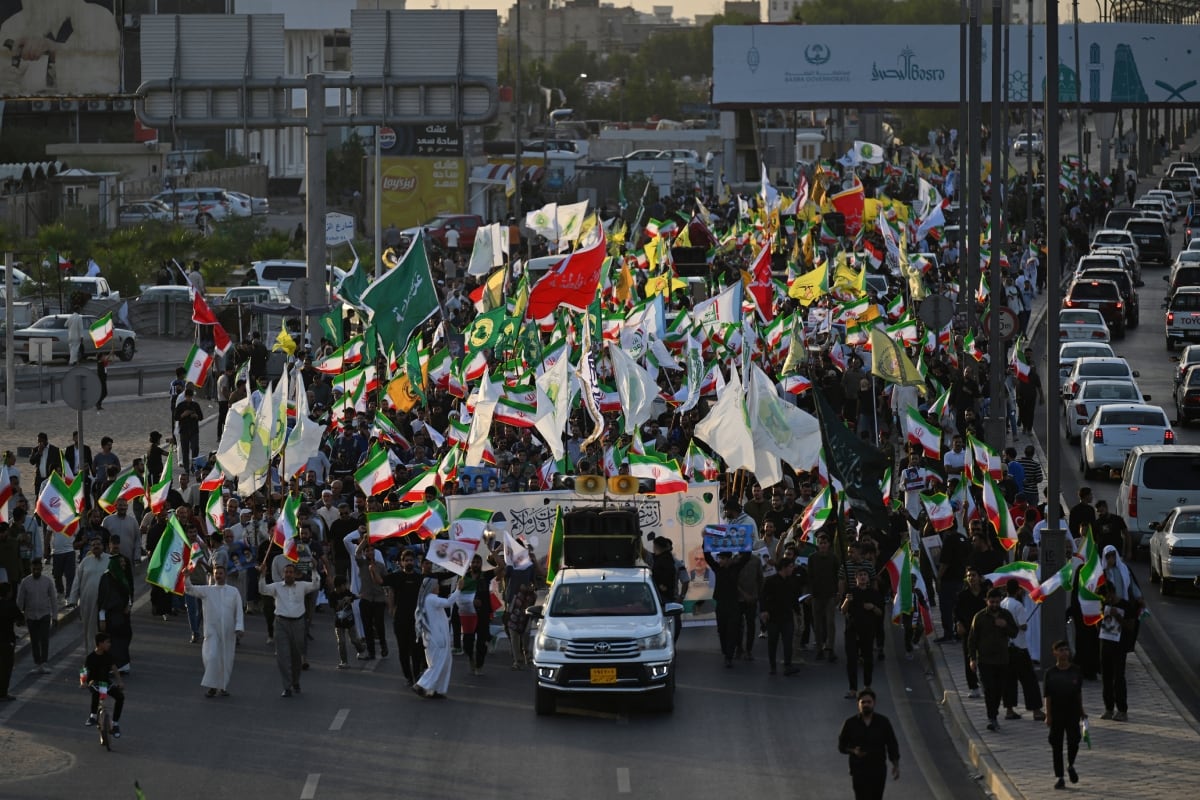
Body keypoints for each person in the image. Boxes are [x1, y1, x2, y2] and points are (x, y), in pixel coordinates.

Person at [258, 560, 320, 697]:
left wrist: (314, 570)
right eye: (286, 572)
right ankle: (287, 687)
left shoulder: (302, 586)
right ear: (282, 574)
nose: (288, 574)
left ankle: (295, 681)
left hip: (298, 623)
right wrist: (262, 575)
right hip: (281, 623)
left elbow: (315, 585)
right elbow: (262, 589)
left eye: (291, 572)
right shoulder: (277, 587)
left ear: (295, 574)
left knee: (296, 656)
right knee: (283, 657)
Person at [185, 564, 244, 697]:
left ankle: (222, 686)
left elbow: (239, 611)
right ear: (213, 575)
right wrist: (187, 576)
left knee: (226, 659)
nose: (218, 576)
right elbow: (189, 589)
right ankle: (212, 685)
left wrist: (239, 627)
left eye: (220, 573)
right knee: (211, 657)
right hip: (211, 631)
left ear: (225, 575)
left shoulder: (233, 591)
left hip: (228, 632)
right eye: (216, 573)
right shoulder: (208, 590)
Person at [968, 587, 1019, 731]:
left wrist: (1005, 626)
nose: (994, 605)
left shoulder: (1006, 615)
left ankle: (994, 713)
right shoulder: (979, 617)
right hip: (985, 661)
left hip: (1002, 660)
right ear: (987, 601)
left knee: (998, 690)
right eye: (992, 602)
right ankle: (992, 717)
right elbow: (972, 640)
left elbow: (1014, 633)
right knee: (989, 690)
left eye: (997, 602)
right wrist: (972, 659)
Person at [837, 688, 901, 800]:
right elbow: (841, 746)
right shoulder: (850, 723)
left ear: (874, 703)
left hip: (878, 769)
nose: (866, 704)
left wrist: (895, 764)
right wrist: (853, 751)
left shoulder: (883, 722)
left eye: (869, 702)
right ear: (858, 704)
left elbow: (891, 743)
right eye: (863, 702)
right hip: (858, 769)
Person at [376, 548, 426, 686]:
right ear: (401, 562)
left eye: (411, 560)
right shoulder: (396, 577)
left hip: (416, 620)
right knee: (403, 650)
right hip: (400, 619)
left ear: (415, 562)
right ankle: (408, 676)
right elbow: (381, 582)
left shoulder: (419, 578)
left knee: (416, 649)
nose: (409, 562)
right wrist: (372, 567)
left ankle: (417, 675)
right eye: (406, 560)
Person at [413, 561, 462, 699]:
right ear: (430, 587)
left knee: (444, 663)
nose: (438, 587)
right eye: (436, 585)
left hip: (433, 638)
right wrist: (458, 589)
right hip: (437, 638)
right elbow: (448, 602)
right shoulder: (431, 599)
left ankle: (436, 690)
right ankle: (422, 685)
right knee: (438, 664)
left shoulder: (428, 600)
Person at [1044, 640, 1086, 790]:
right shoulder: (1050, 673)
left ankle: (1071, 764)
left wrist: (1082, 711)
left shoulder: (1076, 671)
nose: (1064, 653)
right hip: (1056, 713)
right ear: (1055, 652)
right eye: (1061, 650)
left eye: (1066, 650)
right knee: (1056, 745)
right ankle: (1060, 776)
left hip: (1072, 712)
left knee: (1074, 740)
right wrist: (1048, 715)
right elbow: (1047, 696)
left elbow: (1079, 693)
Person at [1000, 578, 1045, 721]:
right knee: (1029, 680)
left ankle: (1009, 710)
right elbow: (1023, 626)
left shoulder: (1002, 603)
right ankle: (1036, 711)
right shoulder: (1018, 605)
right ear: (1018, 590)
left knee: (1009, 680)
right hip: (1020, 646)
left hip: (1006, 647)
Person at [704, 549, 752, 667]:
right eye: (719, 558)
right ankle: (726, 651)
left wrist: (747, 540)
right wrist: (705, 540)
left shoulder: (736, 568)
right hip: (721, 604)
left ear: (729, 559)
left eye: (723, 559)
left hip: (734, 604)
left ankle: (728, 656)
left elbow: (746, 556)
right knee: (722, 630)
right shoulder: (717, 568)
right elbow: (707, 556)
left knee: (732, 630)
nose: (720, 561)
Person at [841, 569, 884, 698]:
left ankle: (867, 686)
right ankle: (853, 689)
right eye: (860, 575)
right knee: (852, 660)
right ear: (856, 578)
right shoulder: (851, 593)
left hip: (868, 630)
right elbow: (843, 611)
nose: (863, 577)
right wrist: (847, 601)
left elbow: (880, 612)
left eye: (865, 575)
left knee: (868, 659)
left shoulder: (874, 594)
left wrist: (873, 607)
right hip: (852, 630)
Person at [67, 536, 111, 652]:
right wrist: (73, 599)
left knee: (104, 632)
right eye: (93, 545)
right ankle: (90, 658)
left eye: (98, 544)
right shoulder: (85, 562)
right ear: (90, 548)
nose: (96, 546)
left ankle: (106, 660)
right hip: (87, 602)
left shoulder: (110, 560)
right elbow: (77, 581)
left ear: (104, 546)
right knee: (89, 631)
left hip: (105, 604)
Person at [1098, 582, 1132, 722]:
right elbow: (1099, 626)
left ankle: (1122, 710)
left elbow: (1130, 626)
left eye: (1108, 596)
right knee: (1106, 678)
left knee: (1118, 678)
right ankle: (1109, 708)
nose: (1107, 600)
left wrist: (1118, 616)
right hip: (1105, 645)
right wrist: (1100, 622)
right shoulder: (1103, 605)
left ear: (1113, 593)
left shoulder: (1126, 605)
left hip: (1119, 647)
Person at [760, 556, 800, 676]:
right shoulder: (771, 581)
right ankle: (773, 666)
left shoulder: (791, 581)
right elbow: (763, 597)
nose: (792, 569)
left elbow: (794, 599)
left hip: (787, 616)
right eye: (790, 567)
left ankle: (788, 665)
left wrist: (798, 613)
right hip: (773, 617)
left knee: (788, 642)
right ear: (784, 568)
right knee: (773, 642)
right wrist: (764, 611)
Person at [16, 559, 57, 674]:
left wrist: (55, 617)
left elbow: (53, 600)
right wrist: (18, 616)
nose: (36, 571)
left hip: (44, 615)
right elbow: (20, 600)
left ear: (42, 569)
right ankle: (37, 663)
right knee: (34, 640)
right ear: (31, 568)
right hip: (30, 616)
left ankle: (44, 662)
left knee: (44, 639)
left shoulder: (47, 581)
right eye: (34, 569)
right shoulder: (25, 582)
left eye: (38, 569)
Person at [96, 555, 133, 674]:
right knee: (112, 642)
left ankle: (123, 664)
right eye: (121, 563)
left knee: (124, 638)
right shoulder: (106, 578)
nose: (123, 565)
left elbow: (128, 592)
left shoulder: (122, 576)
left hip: (122, 616)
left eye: (124, 562)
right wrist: (102, 618)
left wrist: (128, 604)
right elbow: (102, 600)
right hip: (110, 617)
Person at [84, 632, 125, 736]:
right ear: (100, 643)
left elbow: (114, 669)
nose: (109, 644)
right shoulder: (91, 657)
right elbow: (84, 671)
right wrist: (83, 682)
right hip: (94, 682)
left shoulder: (108, 656)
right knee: (96, 692)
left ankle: (115, 724)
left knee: (120, 697)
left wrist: (120, 682)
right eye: (107, 642)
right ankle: (93, 716)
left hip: (105, 683)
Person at [174, 387, 204, 467]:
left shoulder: (195, 405)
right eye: (188, 397)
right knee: (185, 450)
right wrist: (183, 415)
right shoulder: (180, 405)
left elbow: (201, 417)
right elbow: (176, 417)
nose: (189, 399)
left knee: (195, 448)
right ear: (185, 396)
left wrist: (196, 416)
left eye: (190, 397)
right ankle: (186, 467)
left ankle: (194, 466)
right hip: (184, 430)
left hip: (194, 430)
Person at [0, 581, 17, 700]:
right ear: (8, 593)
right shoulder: (11, 605)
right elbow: (20, 619)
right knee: (6, 668)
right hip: (7, 641)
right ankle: (3, 693)